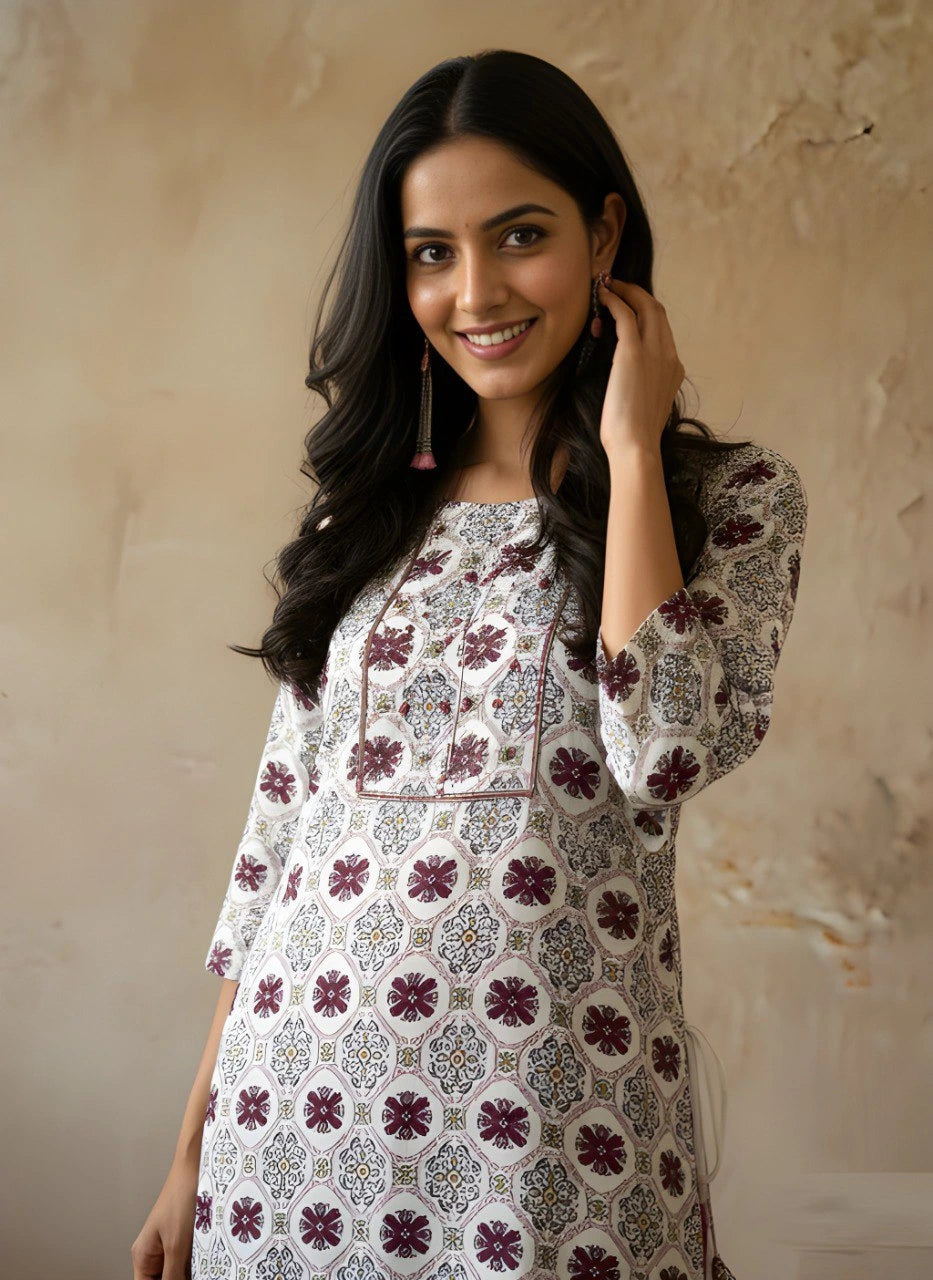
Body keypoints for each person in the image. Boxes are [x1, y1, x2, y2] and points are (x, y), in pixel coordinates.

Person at [132, 49, 807, 1280]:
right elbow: (277, 848)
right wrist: (190, 1152)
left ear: (605, 233)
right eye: (433, 252)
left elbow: (662, 752)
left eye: (520, 235)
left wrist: (636, 452)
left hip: (554, 1137)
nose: (476, 289)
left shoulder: (734, 499)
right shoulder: (365, 525)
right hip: (291, 1135)